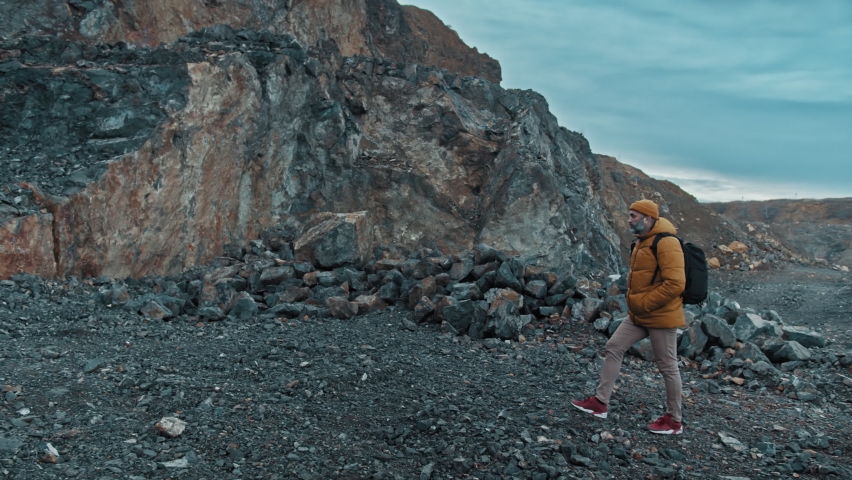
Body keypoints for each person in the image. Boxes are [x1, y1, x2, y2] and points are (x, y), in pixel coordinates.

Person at [571, 199, 687, 435]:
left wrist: (645, 303)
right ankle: (600, 403)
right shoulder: (643, 241)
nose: (629, 219)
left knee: (668, 367)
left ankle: (674, 421)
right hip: (640, 314)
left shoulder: (667, 243)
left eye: (633, 215)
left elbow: (676, 283)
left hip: (660, 316)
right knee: (614, 346)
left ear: (647, 218)